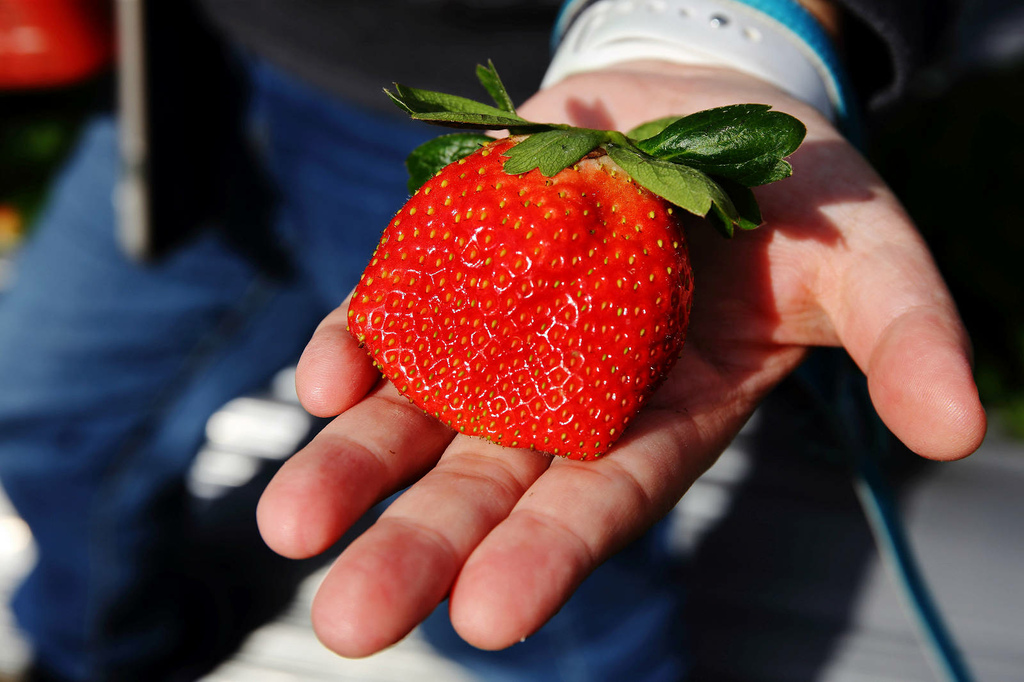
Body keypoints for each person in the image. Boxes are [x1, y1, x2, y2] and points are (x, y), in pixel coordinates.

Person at [0, 0, 988, 680]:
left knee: (524, 598)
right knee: (48, 414)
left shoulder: (562, 194)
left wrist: (713, 33)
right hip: (196, 68)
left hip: (536, 87)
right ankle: (104, 653)